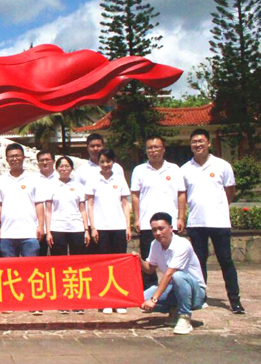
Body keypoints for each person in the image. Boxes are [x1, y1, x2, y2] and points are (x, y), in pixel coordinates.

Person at [182, 128, 244, 314]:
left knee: (226, 260)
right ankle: (200, 297)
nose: (198, 145)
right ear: (190, 145)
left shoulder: (222, 166)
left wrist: (220, 207)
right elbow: (183, 195)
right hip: (196, 222)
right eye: (194, 142)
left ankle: (235, 300)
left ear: (208, 143)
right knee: (198, 263)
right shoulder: (185, 169)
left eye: (201, 141)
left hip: (219, 222)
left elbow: (229, 191)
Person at [136, 212, 206, 335]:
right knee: (141, 299)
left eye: (161, 228)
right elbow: (150, 269)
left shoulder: (182, 244)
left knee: (177, 276)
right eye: (154, 230)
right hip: (173, 287)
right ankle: (175, 310)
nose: (158, 233)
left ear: (171, 228)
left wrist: (154, 300)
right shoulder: (155, 244)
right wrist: (138, 260)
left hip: (195, 292)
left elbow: (169, 274)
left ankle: (184, 316)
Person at [131, 136, 187, 289]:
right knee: (148, 262)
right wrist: (136, 219)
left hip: (169, 224)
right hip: (147, 224)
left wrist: (181, 218)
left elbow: (181, 194)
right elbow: (135, 196)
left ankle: (175, 290)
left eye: (156, 147)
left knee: (173, 260)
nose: (153, 150)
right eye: (150, 147)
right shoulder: (139, 170)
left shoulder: (174, 169)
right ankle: (150, 291)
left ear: (163, 149)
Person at [86, 148, 131, 314]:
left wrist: (127, 226)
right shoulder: (93, 179)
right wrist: (93, 227)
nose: (105, 165)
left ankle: (119, 300)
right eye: (102, 162)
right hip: (101, 228)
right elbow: (90, 205)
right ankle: (105, 299)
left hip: (118, 226)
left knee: (119, 264)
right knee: (103, 265)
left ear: (113, 162)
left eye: (108, 161)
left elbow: (125, 204)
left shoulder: (119, 179)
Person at [46, 156, 89, 315]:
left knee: (77, 265)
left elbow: (83, 209)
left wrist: (86, 229)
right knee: (60, 264)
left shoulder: (78, 186)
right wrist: (48, 231)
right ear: (57, 169)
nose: (64, 169)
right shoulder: (51, 185)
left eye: (67, 166)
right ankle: (62, 299)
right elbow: (48, 210)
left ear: (71, 168)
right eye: (61, 166)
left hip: (76, 228)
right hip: (58, 228)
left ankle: (78, 299)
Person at [0, 144, 45, 259]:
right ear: (7, 159)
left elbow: (39, 204)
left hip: (30, 233)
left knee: (31, 267)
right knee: (9, 268)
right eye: (11, 156)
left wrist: (41, 226)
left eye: (17, 156)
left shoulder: (34, 179)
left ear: (23, 157)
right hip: (7, 234)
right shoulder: (1, 180)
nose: (14, 159)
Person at [75, 134, 124, 254]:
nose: (95, 149)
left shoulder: (117, 168)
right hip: (93, 223)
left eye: (98, 145)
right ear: (87, 147)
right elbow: (79, 197)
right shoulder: (81, 170)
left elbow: (122, 196)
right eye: (92, 146)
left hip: (115, 222)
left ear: (103, 146)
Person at [35, 150, 58, 257]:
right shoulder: (32, 179)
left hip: (57, 225)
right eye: (42, 160)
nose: (44, 162)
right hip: (38, 226)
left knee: (57, 258)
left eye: (47, 160)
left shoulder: (61, 178)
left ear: (53, 161)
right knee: (39, 258)